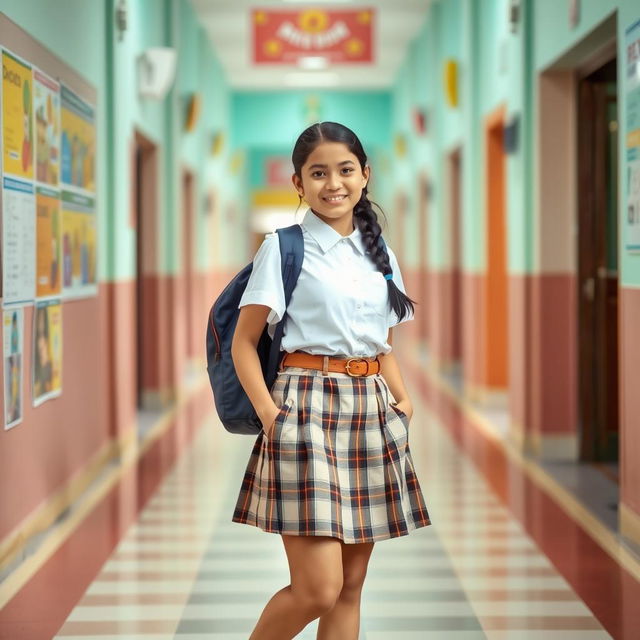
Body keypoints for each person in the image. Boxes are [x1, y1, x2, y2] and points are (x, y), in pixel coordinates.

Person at [231, 122, 431, 640]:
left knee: (350, 586)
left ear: (365, 175)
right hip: (306, 410)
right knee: (317, 588)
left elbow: (380, 344)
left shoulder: (378, 251)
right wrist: (274, 418)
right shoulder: (283, 247)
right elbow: (242, 342)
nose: (333, 183)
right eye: (317, 173)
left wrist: (403, 401)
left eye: (345, 170)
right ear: (298, 183)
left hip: (370, 411)